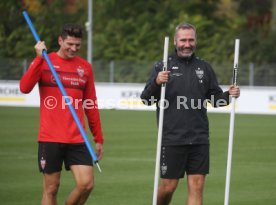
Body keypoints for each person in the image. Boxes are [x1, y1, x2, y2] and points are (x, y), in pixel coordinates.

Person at [140, 22, 240, 205]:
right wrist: (156, 81)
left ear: (196, 41)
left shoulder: (205, 67)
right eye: (183, 40)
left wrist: (229, 95)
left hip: (199, 137)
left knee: (197, 185)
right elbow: (146, 98)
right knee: (168, 186)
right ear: (175, 42)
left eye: (191, 40)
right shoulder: (162, 66)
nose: (187, 44)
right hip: (172, 137)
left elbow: (216, 99)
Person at [20, 23, 104, 205]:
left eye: (77, 45)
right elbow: (24, 88)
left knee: (86, 184)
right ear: (60, 40)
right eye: (70, 44)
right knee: (51, 189)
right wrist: (37, 58)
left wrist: (98, 138)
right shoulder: (44, 62)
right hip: (50, 137)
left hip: (77, 137)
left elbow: (90, 104)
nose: (74, 49)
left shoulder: (85, 68)